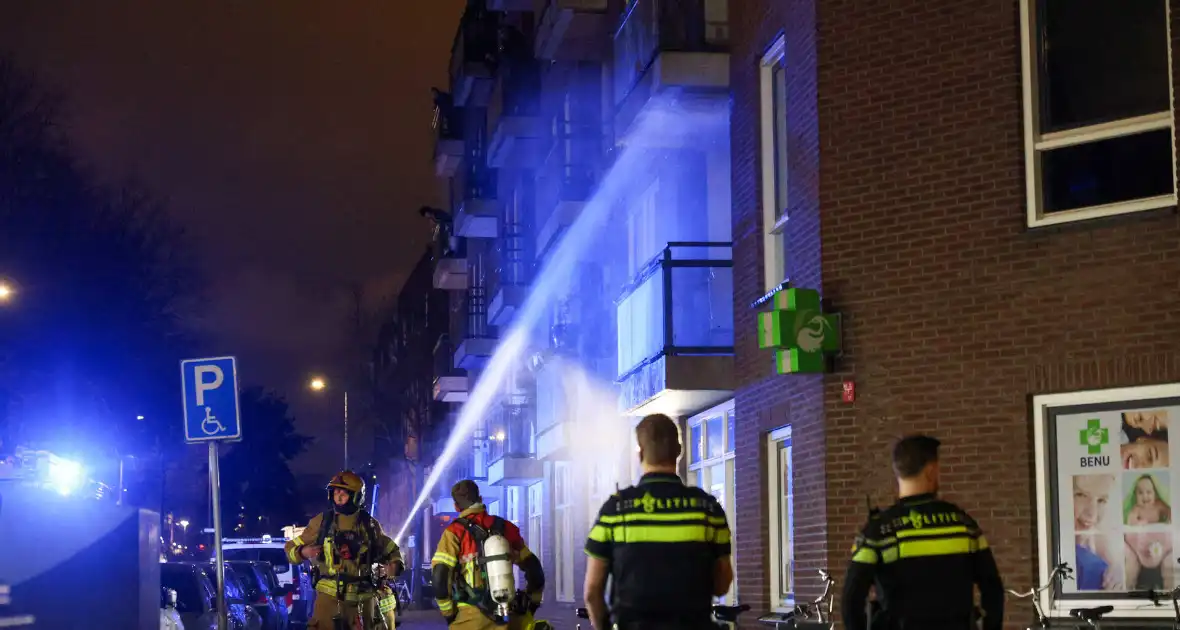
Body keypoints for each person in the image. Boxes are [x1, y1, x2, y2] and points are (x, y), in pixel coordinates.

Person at [583, 413, 733, 630]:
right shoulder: (708, 509)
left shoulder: (614, 511)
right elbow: (721, 585)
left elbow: (591, 593)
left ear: (640, 453)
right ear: (678, 452)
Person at [842, 435, 1003, 630]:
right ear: (931, 471)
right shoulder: (964, 524)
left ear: (898, 471)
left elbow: (851, 600)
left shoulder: (878, 532)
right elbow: (992, 588)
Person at [284, 470, 404, 629]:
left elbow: (392, 551)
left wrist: (394, 566)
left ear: (356, 497)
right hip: (329, 602)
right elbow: (290, 548)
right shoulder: (321, 522)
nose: (339, 496)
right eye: (336, 492)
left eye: (344, 493)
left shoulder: (369, 525)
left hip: (364, 602)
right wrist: (303, 552)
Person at [431, 479, 545, 629]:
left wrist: (449, 614)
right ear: (480, 499)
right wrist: (531, 606)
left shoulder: (453, 533)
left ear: (456, 506)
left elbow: (440, 577)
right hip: (508, 617)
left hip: (470, 619)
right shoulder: (506, 528)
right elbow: (534, 570)